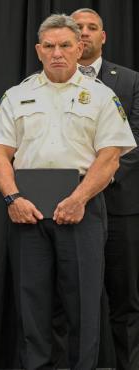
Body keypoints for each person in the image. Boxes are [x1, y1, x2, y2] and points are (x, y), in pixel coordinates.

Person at [0, 14, 136, 370]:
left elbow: (110, 157)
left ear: (79, 47)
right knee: (31, 305)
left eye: (65, 45)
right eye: (49, 46)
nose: (57, 53)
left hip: (82, 209)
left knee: (82, 305)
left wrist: (79, 198)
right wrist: (12, 199)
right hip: (27, 210)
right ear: (38, 50)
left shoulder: (100, 95)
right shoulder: (16, 96)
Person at [71, 8, 139, 370]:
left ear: (103, 36)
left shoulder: (129, 81)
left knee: (124, 299)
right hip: (67, 206)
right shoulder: (49, 82)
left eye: (91, 27)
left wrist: (98, 179)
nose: (83, 33)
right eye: (77, 27)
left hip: (119, 205)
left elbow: (136, 143)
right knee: (73, 297)